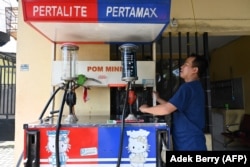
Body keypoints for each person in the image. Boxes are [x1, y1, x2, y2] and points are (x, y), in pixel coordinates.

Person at [139, 54, 208, 151]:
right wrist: (158, 99)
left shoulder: (187, 88)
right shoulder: (194, 87)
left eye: (186, 64)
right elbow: (174, 107)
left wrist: (145, 109)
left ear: (195, 70)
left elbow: (167, 109)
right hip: (188, 141)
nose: (182, 66)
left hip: (190, 144)